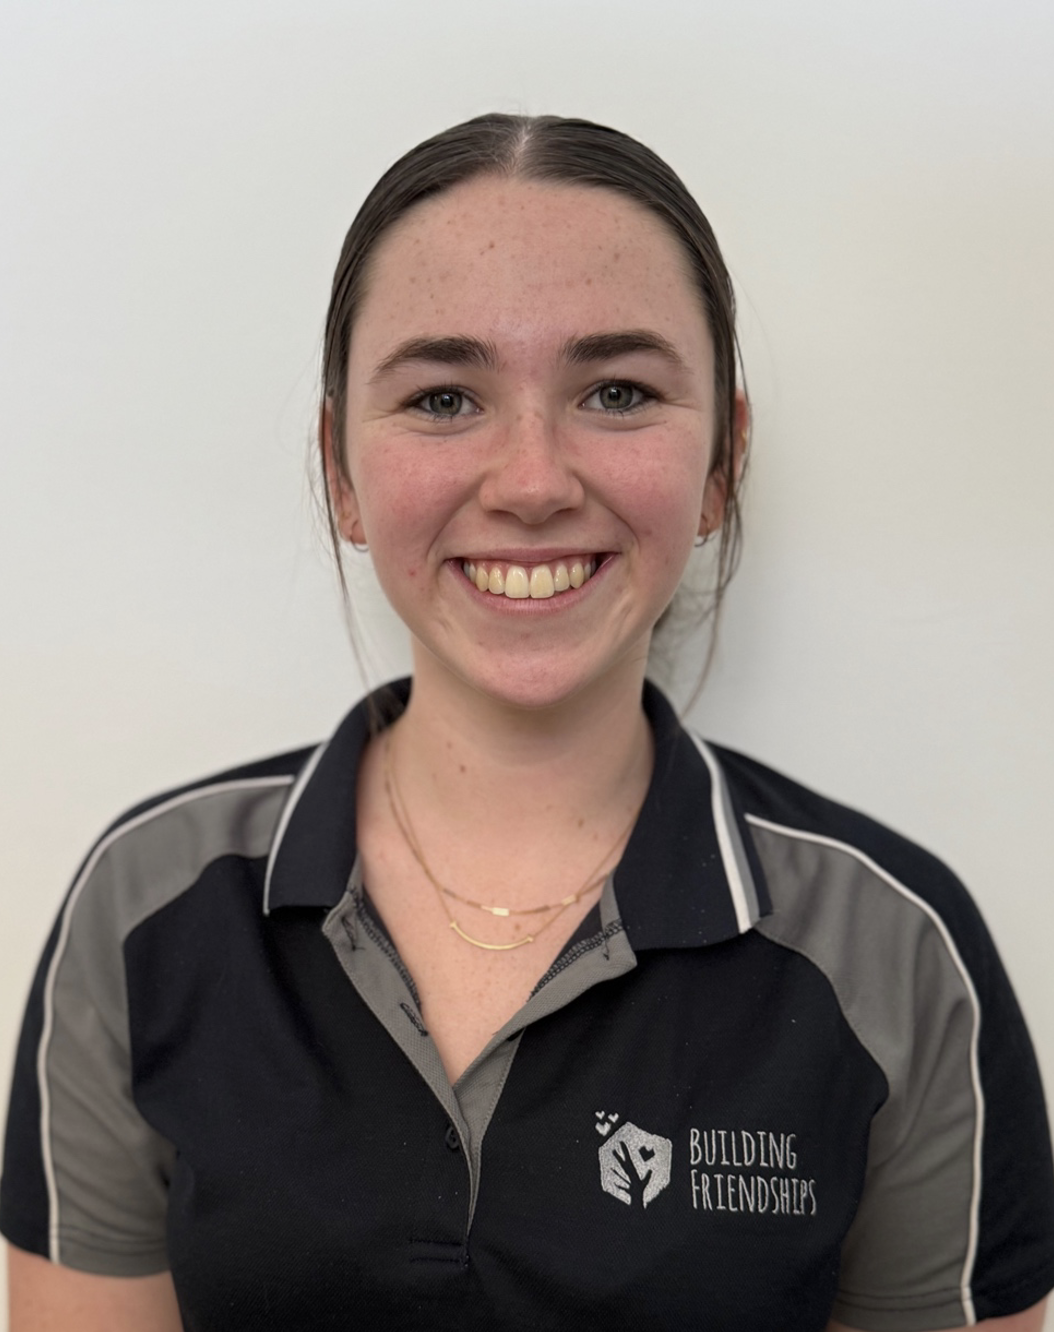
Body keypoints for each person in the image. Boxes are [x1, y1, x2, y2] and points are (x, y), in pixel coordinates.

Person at [2, 113, 1052, 1332]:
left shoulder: (893, 950)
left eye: (617, 390)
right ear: (340, 471)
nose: (533, 480)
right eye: (445, 397)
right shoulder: (148, 909)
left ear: (724, 462)